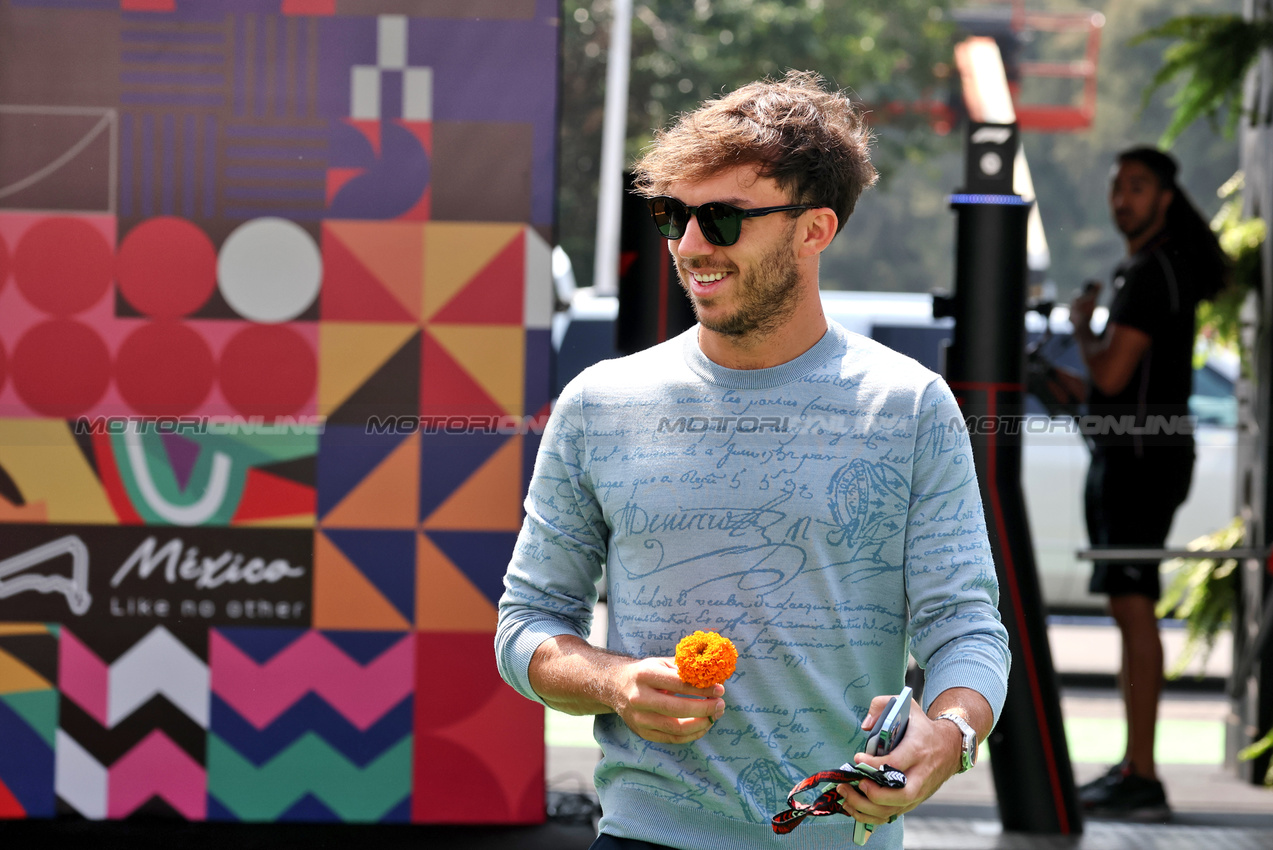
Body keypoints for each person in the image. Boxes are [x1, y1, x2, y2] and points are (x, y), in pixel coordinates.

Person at [496, 71, 1011, 850]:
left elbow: (964, 625)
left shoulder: (908, 405)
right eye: (674, 216)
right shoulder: (600, 401)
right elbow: (526, 623)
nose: (690, 246)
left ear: (815, 230)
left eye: (724, 218)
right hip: (643, 837)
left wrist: (948, 733)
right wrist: (615, 683)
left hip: (838, 839)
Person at [1069, 146, 1229, 821]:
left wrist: (1080, 330)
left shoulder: (1149, 270)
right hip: (1138, 451)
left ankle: (1143, 774)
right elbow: (1118, 385)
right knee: (1126, 609)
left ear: (1164, 197)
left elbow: (1109, 377)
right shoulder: (1154, 266)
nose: (1121, 200)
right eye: (1116, 188)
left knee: (1133, 610)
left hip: (1140, 459)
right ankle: (1135, 764)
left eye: (1136, 188)